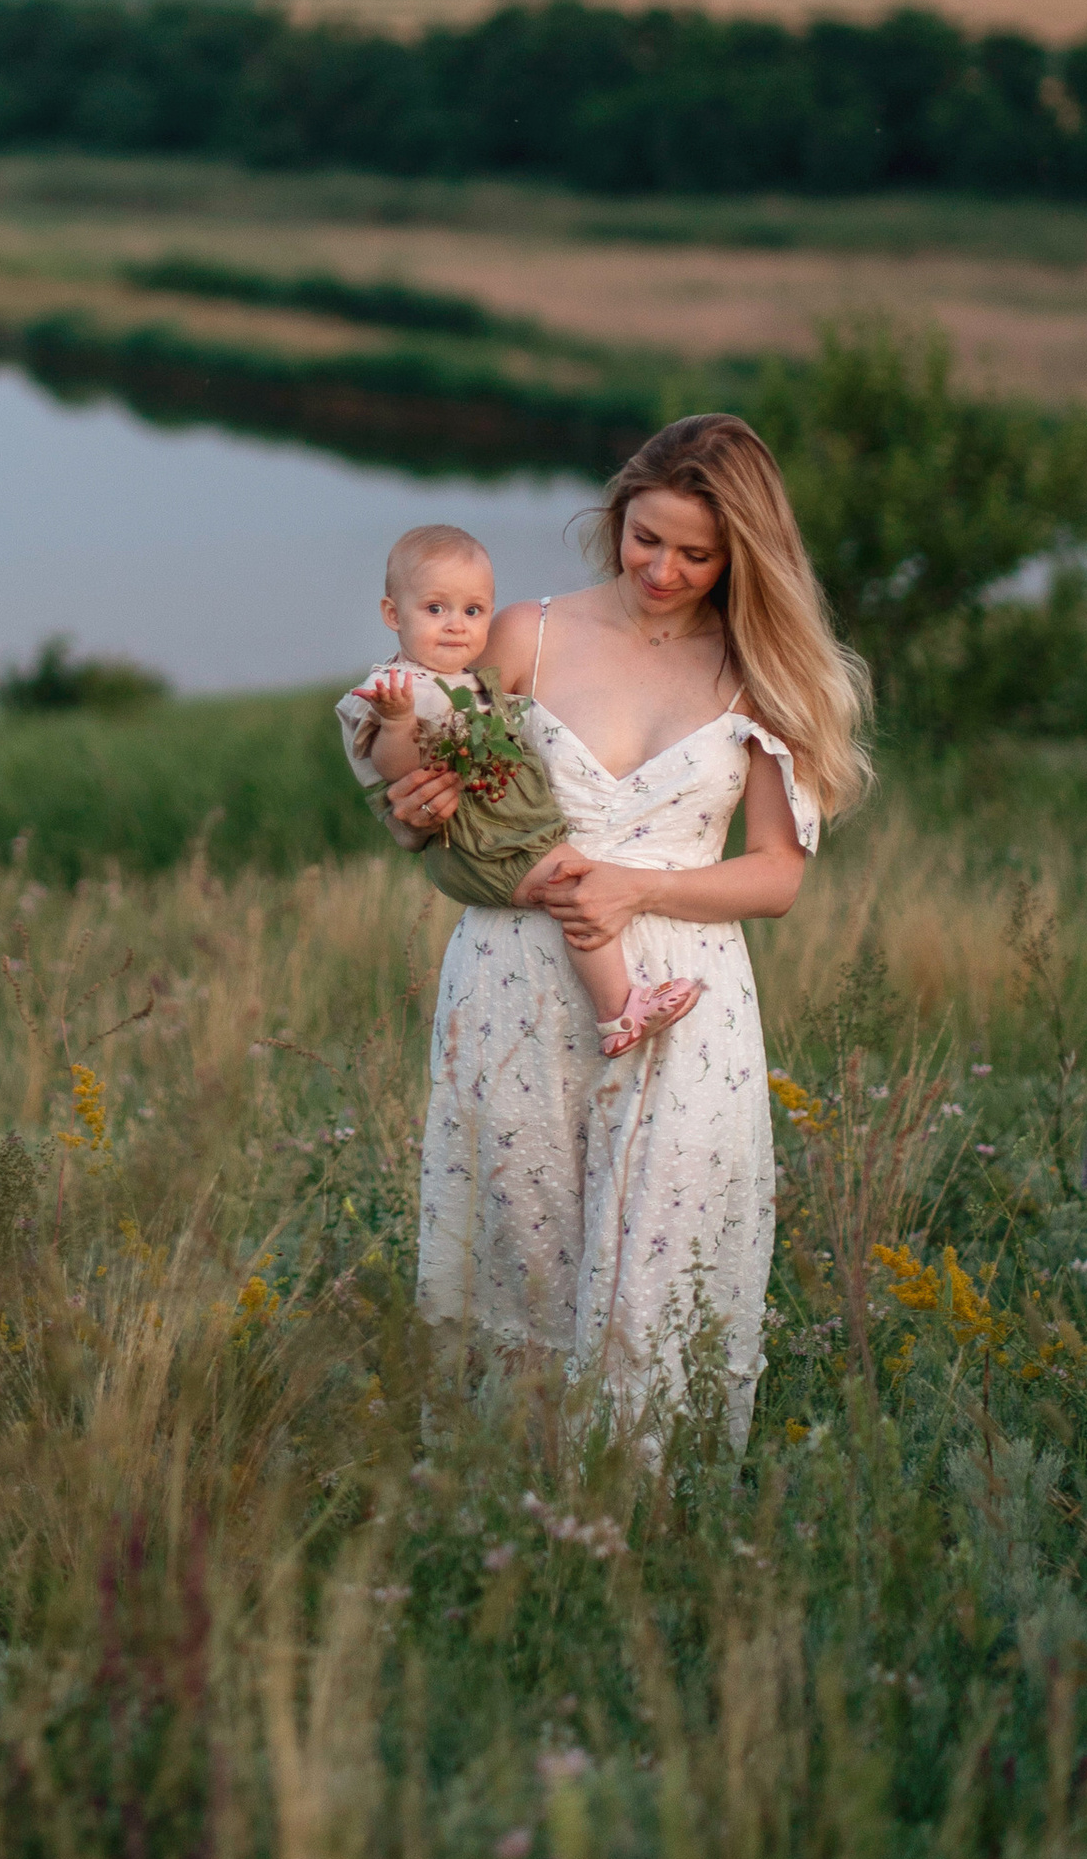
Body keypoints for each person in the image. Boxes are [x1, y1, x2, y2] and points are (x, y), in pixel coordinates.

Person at [352, 414, 870, 1448]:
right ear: (617, 517)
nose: (663, 570)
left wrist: (634, 888)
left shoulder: (762, 674)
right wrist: (410, 814)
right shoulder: (524, 635)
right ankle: (511, 1508)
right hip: (512, 987)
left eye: (696, 554)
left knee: (659, 1275)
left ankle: (652, 1519)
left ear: (741, 556)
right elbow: (440, 797)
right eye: (646, 539)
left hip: (683, 1005)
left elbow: (776, 877)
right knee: (520, 1268)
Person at [340, 525, 702, 1059]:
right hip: (483, 843)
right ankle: (618, 1010)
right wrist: (396, 722)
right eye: (435, 609)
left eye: (473, 611)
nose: (456, 625)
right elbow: (397, 769)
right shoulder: (397, 689)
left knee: (576, 884)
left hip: (510, 833)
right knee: (577, 886)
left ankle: (620, 1003)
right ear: (393, 615)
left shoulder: (467, 679)